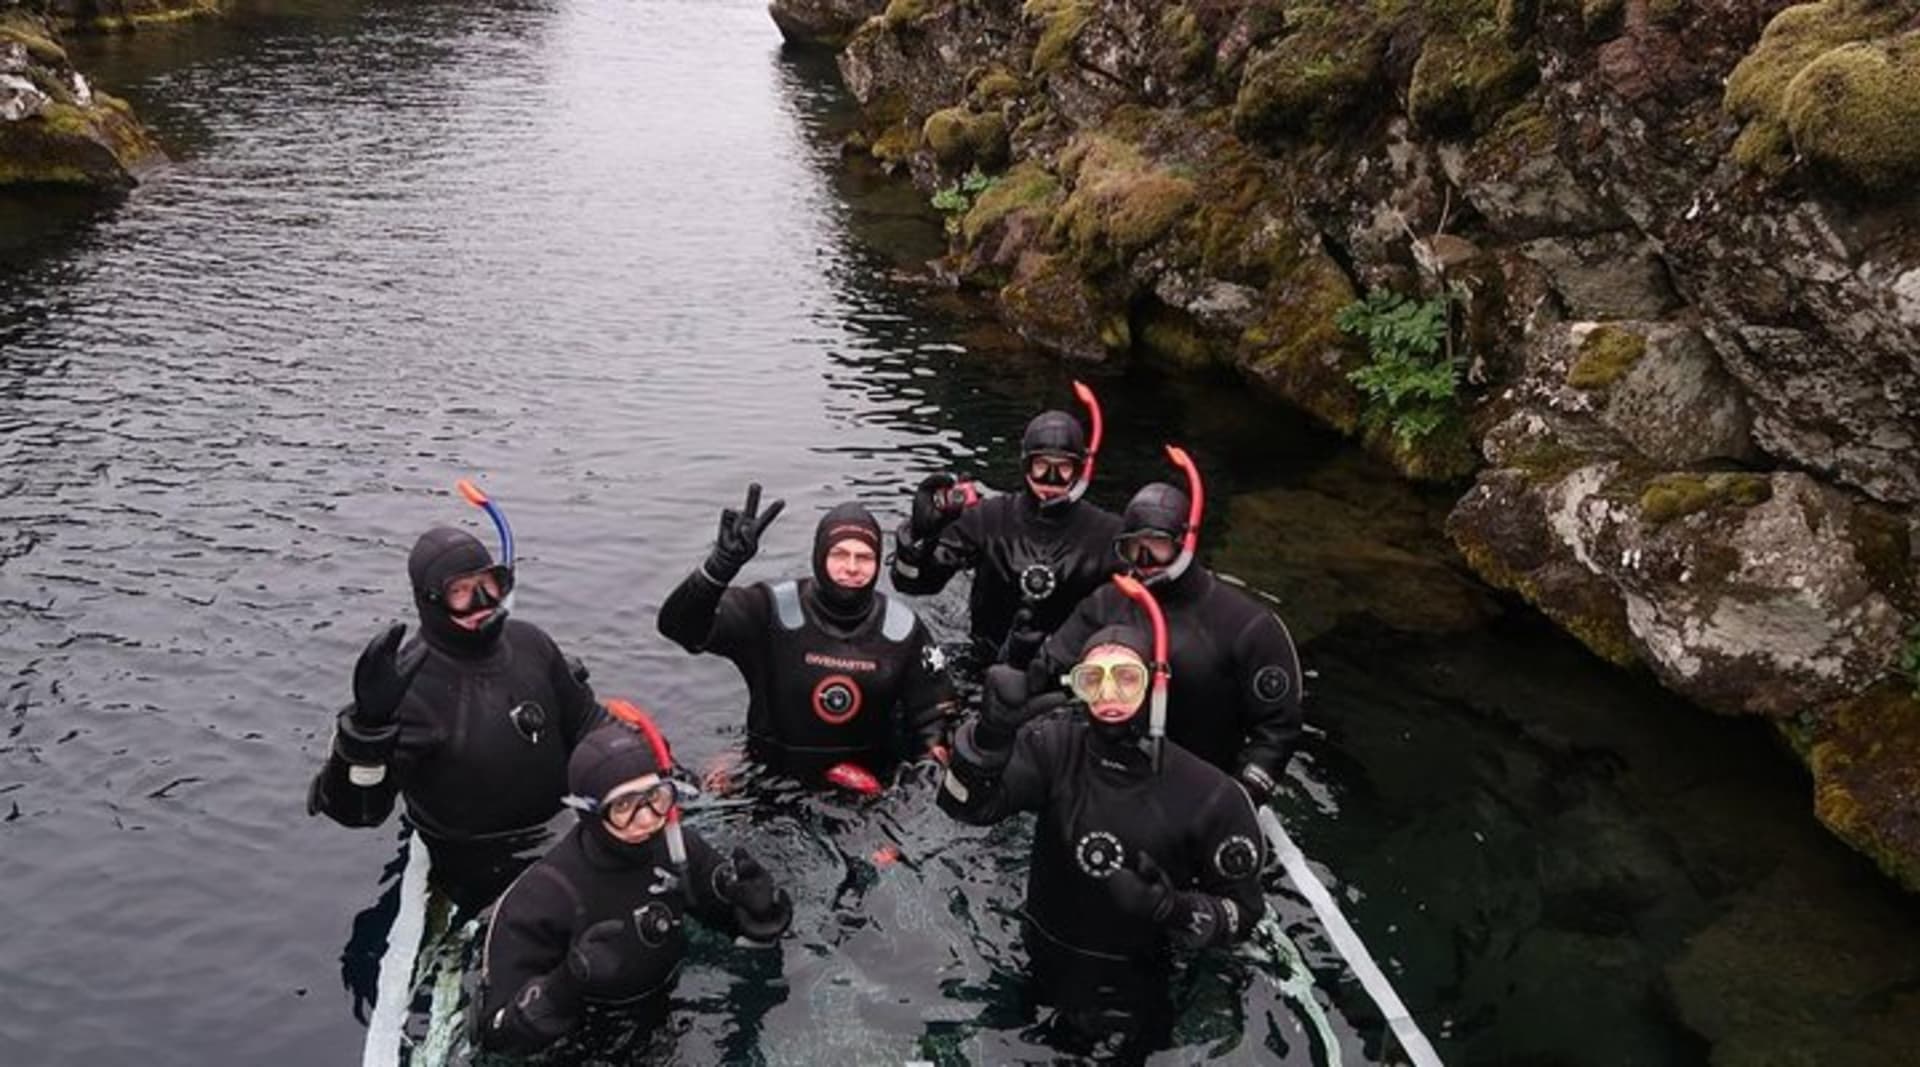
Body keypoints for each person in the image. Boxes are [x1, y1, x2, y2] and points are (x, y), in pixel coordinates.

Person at [937, 625, 1266, 1045]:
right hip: (1031, 957)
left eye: (1127, 678)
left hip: (1138, 985)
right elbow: (964, 808)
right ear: (1078, 687)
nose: (1110, 693)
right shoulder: (1054, 747)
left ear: (1156, 684)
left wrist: (1173, 909)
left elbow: (1244, 915)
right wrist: (988, 738)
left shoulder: (1211, 795)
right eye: (1094, 679)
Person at [307, 524, 604, 911]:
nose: (481, 601)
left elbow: (588, 721)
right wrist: (366, 733)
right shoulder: (409, 692)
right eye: (460, 591)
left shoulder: (531, 642)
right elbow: (357, 813)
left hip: (567, 828)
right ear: (429, 600)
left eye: (489, 583)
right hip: (477, 864)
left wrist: (650, 770)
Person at [477, 708, 792, 1054]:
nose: (646, 819)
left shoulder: (678, 850)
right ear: (589, 811)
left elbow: (743, 935)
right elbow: (496, 1037)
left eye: (656, 798)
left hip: (677, 1010)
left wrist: (761, 910)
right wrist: (565, 984)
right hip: (588, 1040)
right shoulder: (543, 897)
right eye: (624, 805)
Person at [656, 487, 955, 788]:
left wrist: (930, 761)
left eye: (863, 557)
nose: (851, 568)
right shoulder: (769, 610)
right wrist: (718, 569)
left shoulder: (902, 629)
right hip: (771, 776)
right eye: (839, 554)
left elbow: (934, 715)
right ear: (819, 554)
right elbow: (677, 628)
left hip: (869, 787)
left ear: (878, 563)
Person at [1033, 479, 1304, 806]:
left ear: (1185, 541)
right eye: (1133, 548)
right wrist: (1022, 662)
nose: (1144, 559)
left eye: (1156, 545)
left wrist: (1245, 792)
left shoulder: (1247, 626)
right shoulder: (1106, 604)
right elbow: (1051, 675)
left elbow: (1278, 727)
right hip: (1105, 779)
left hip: (1199, 794)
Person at [890, 404, 1123, 658]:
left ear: (1079, 471)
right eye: (1042, 465)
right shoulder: (988, 518)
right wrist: (919, 540)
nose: (1051, 479)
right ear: (1025, 465)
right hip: (985, 661)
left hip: (1067, 671)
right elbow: (911, 584)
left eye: (1064, 467)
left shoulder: (1108, 534)